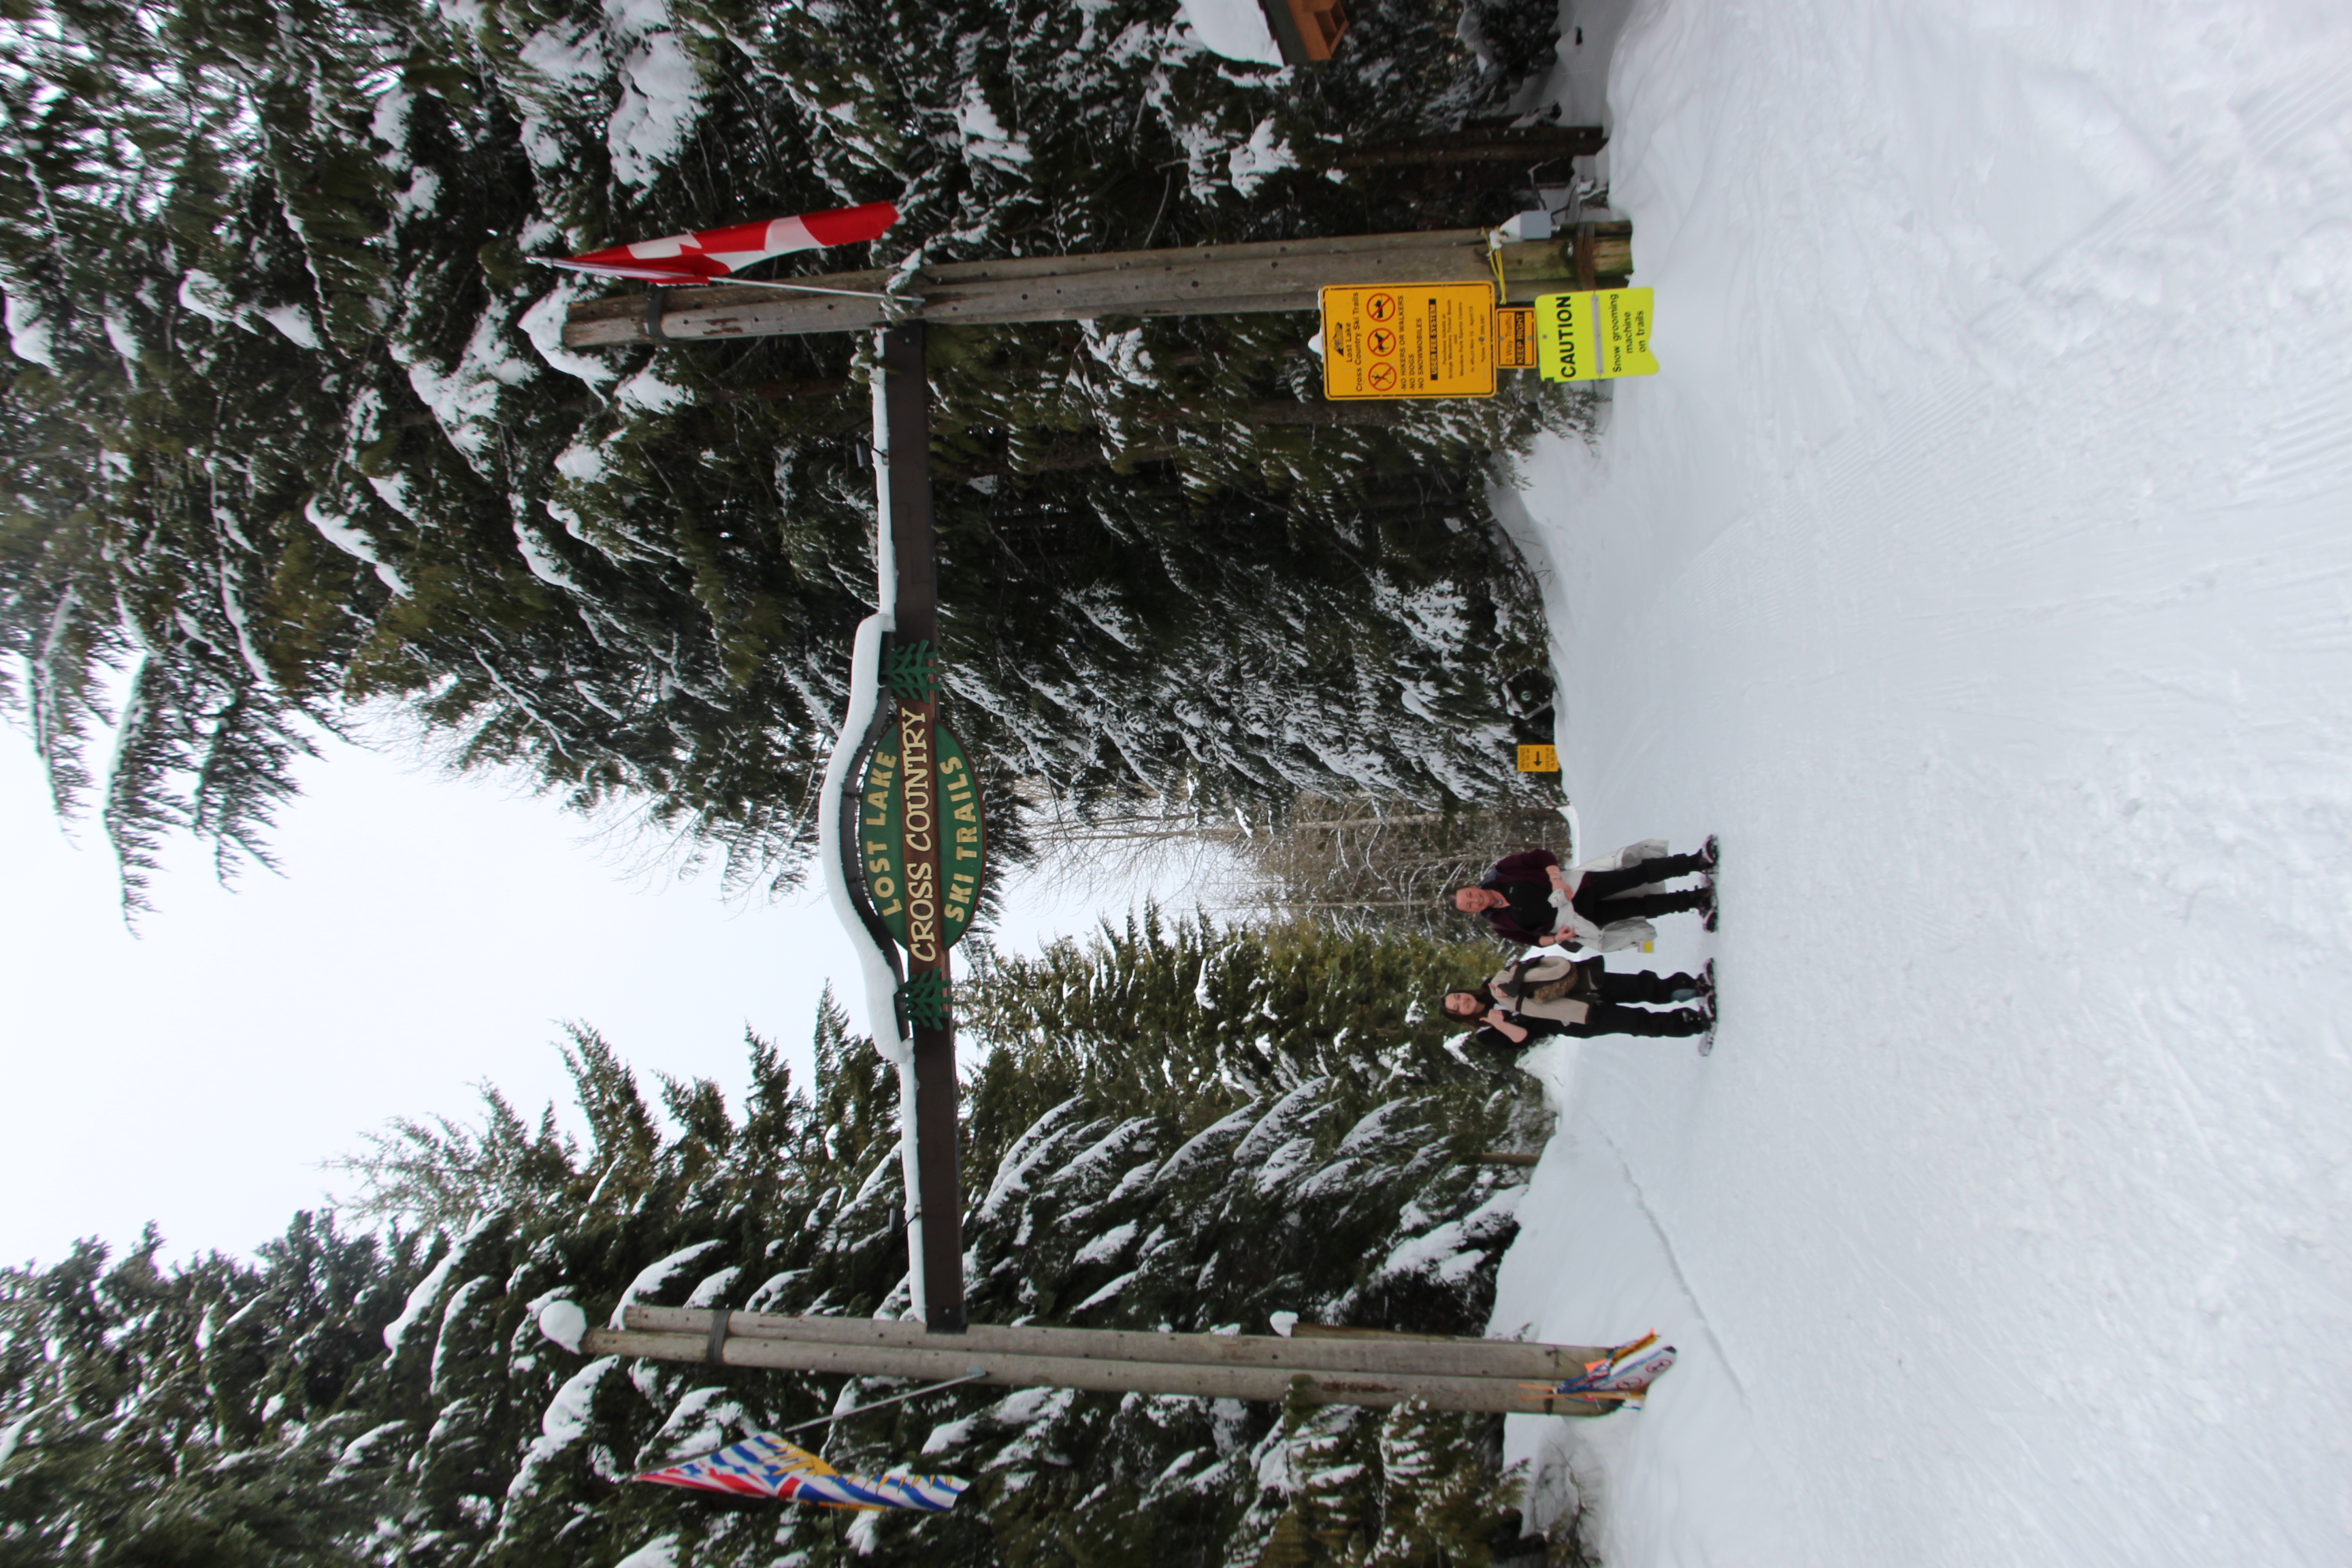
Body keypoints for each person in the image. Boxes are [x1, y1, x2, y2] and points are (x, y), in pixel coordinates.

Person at [1452, 837, 1717, 951]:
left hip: (1581, 885)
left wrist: (1556, 880)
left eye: (1470, 895)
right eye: (1470, 906)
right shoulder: (1500, 925)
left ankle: (1695, 862)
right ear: (1474, 912)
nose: (1475, 901)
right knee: (1638, 908)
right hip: (1580, 920)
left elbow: (1542, 856)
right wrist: (1557, 938)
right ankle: (1694, 900)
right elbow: (1535, 940)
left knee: (1636, 875)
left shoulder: (1504, 871)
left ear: (1473, 887)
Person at [1441, 953, 1716, 1053]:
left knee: (1637, 986)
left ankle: (1689, 987)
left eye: (1459, 997)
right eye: (1458, 1008)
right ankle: (1691, 1022)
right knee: (1633, 1021)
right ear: (1461, 1016)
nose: (1463, 1002)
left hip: (1576, 987)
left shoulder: (1492, 984)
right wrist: (1501, 1024)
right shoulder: (1487, 1033)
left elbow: (1527, 969)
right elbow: (1524, 1039)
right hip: (1573, 1017)